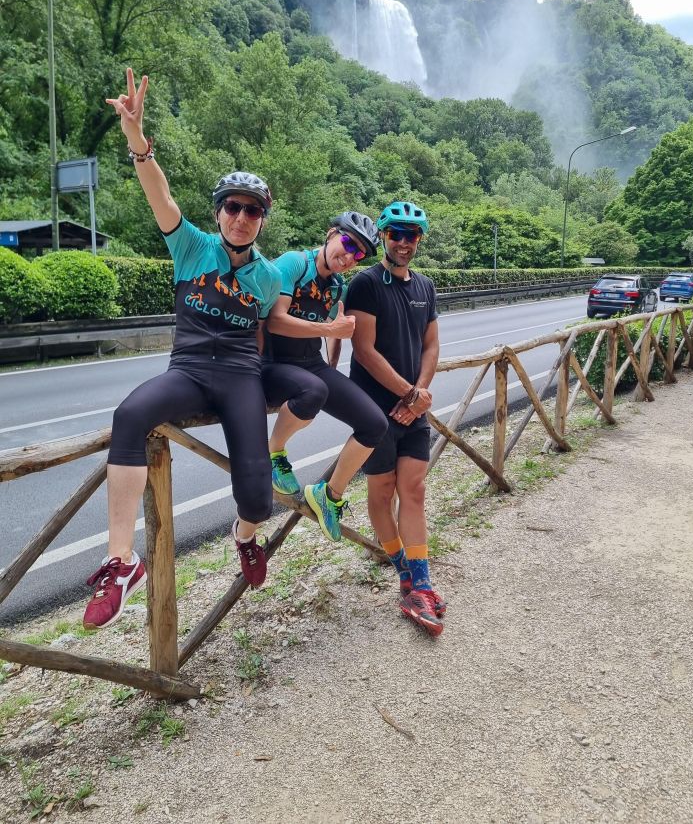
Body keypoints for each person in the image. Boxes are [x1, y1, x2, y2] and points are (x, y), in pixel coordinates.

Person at [83, 69, 281, 630]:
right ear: (219, 212)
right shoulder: (190, 246)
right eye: (232, 208)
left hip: (241, 376)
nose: (241, 218)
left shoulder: (267, 278)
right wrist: (136, 139)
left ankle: (246, 536)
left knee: (259, 500)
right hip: (190, 369)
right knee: (130, 414)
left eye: (252, 210)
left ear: (262, 219)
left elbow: (272, 333)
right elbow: (159, 194)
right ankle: (121, 562)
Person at [345, 201, 446, 636]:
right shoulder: (365, 284)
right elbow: (363, 351)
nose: (404, 243)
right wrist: (407, 392)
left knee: (415, 490)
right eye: (396, 234)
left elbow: (431, 345)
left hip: (413, 408)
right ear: (384, 236)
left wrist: (419, 394)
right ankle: (405, 572)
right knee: (382, 492)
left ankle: (419, 582)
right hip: (374, 407)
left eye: (412, 236)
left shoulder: (426, 285)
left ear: (419, 240)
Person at [263, 213, 389, 541]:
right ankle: (273, 453)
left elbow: (337, 326)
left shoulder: (336, 284)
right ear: (331, 233)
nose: (348, 256)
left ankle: (328, 495)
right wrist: (330, 329)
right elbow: (275, 321)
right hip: (272, 362)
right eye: (346, 244)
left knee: (375, 424)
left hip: (311, 364)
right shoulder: (294, 264)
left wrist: (333, 362)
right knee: (313, 390)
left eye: (357, 254)